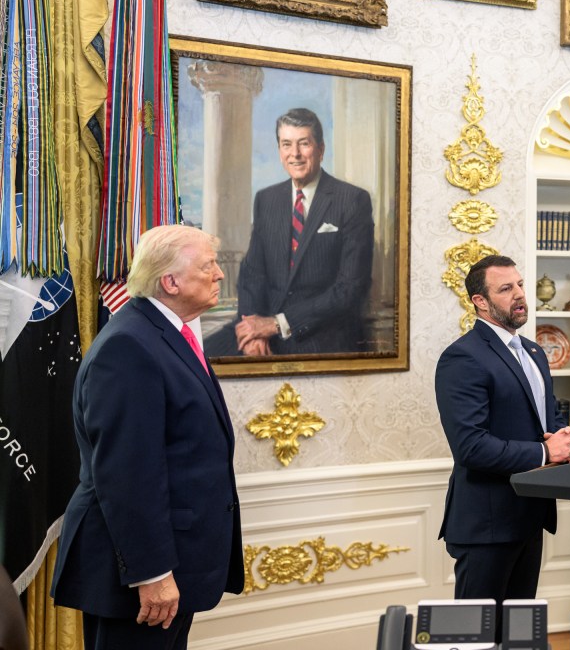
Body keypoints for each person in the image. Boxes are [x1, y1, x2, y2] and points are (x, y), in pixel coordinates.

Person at [51, 225, 243, 649]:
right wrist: (151, 573)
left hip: (175, 562)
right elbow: (127, 473)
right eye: (208, 266)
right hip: (139, 578)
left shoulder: (166, 333)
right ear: (170, 281)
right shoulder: (130, 347)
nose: (219, 275)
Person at [434, 255, 570, 617]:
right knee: (475, 635)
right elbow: (471, 447)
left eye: (520, 284)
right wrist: (546, 452)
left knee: (519, 632)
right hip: (486, 524)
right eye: (506, 289)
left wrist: (568, 438)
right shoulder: (462, 358)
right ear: (480, 302)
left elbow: (547, 418)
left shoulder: (534, 351)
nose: (520, 294)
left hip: (529, 516)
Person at [235, 108, 373, 356]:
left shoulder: (352, 200)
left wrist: (277, 324)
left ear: (320, 149)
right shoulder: (266, 199)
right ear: (279, 151)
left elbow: (350, 288)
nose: (295, 154)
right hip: (264, 335)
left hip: (324, 336)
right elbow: (251, 273)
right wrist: (251, 328)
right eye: (286, 144)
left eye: (304, 144)